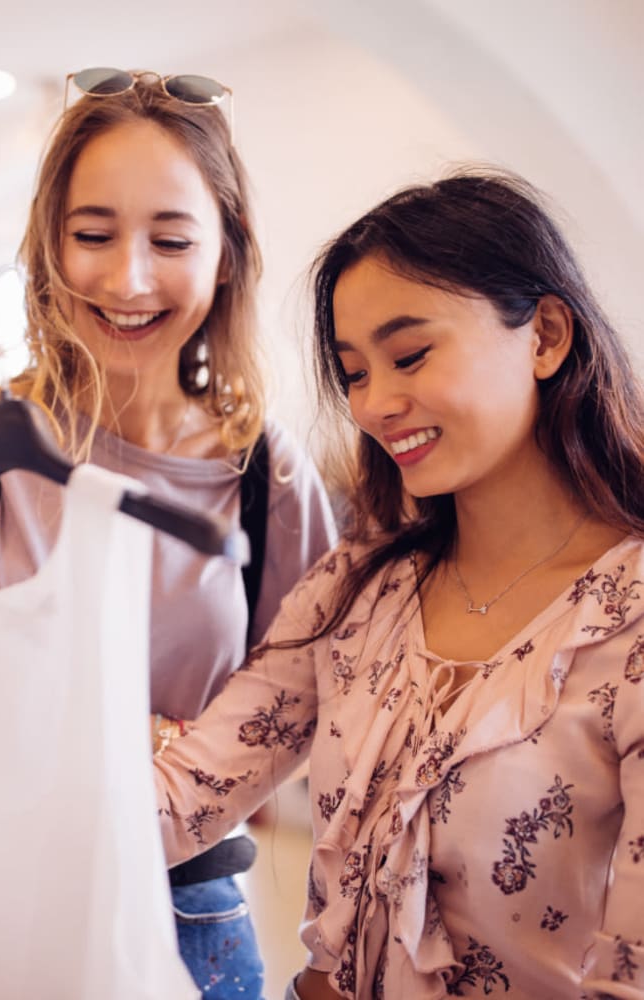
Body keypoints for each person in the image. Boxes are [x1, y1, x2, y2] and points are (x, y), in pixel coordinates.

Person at [151, 168, 644, 1000]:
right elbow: (183, 798)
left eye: (409, 355)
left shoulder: (625, 622)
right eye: (352, 373)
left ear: (546, 335)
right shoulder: (358, 585)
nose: (375, 404)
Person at [0, 69, 337, 998]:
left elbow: (299, 689)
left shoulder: (268, 471)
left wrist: (146, 794)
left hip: (187, 906)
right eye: (91, 234)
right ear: (49, 245)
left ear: (225, 254)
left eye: (170, 239)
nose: (127, 278)